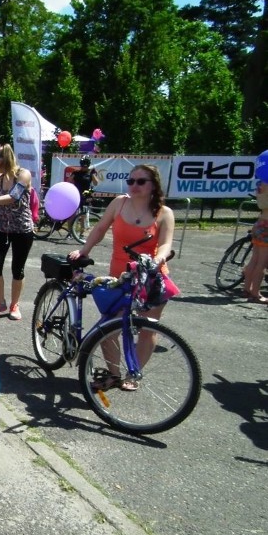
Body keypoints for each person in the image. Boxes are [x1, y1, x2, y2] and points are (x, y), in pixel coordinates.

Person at [67, 163, 176, 389]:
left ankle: (133, 375)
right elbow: (99, 229)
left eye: (140, 181)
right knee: (109, 328)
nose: (134, 185)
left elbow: (166, 244)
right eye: (131, 181)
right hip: (120, 277)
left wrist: (159, 259)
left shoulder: (164, 214)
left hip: (151, 278)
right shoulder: (119, 203)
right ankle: (113, 374)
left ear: (153, 185)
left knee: (148, 329)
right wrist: (84, 250)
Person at [0, 143, 35, 320]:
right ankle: (0, 301)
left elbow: (13, 197)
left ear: (5, 159)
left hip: (22, 229)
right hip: (1, 228)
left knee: (17, 269)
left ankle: (14, 304)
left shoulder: (24, 174)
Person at [241, 180, 268, 303]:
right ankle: (255, 293)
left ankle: (247, 289)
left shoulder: (261, 184)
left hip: (260, 223)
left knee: (254, 259)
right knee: (262, 262)